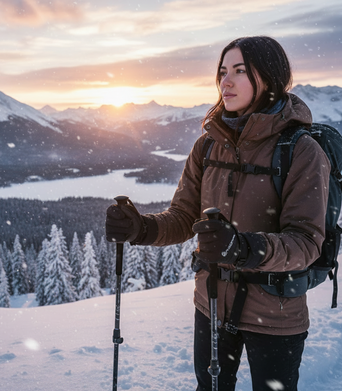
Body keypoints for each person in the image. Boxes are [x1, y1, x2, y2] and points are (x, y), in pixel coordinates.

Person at [106, 36, 331, 391]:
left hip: (275, 312)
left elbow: (305, 242)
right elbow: (183, 217)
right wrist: (142, 229)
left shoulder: (301, 151)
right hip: (211, 303)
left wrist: (244, 248)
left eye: (240, 71)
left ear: (270, 77)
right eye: (222, 71)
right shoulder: (208, 144)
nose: (225, 81)